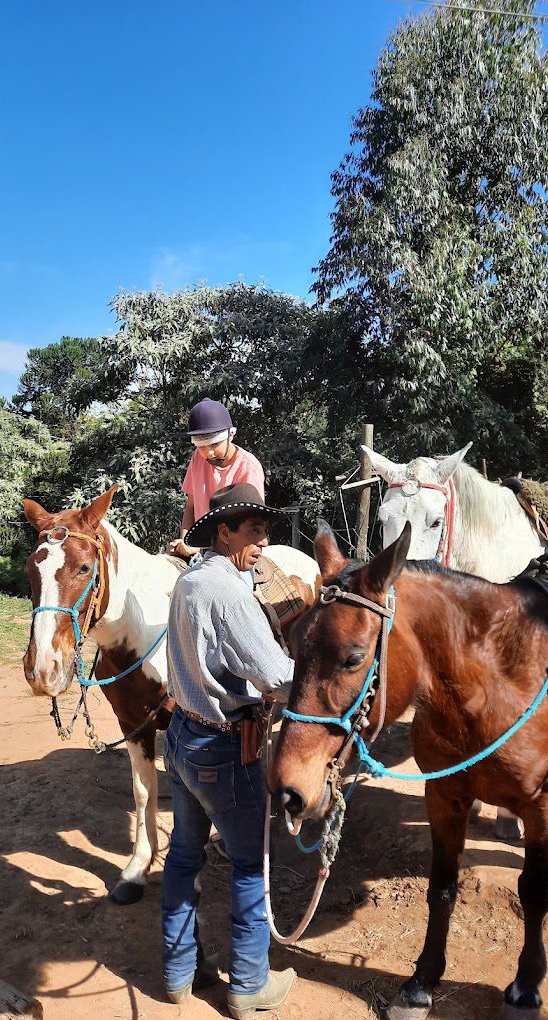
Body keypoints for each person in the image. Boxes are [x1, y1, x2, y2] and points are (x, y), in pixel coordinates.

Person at [162, 482, 297, 1018]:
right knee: (248, 865)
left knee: (182, 857)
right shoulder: (232, 595)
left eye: (266, 532)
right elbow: (277, 678)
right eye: (254, 531)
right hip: (224, 748)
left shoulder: (190, 580)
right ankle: (247, 986)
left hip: (180, 740)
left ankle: (178, 976)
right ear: (223, 532)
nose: (263, 543)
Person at [167, 398, 265, 559]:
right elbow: (190, 507)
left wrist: (199, 547)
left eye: (214, 444)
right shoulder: (197, 459)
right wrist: (185, 541)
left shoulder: (248, 466)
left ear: (231, 435)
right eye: (201, 447)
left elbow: (250, 525)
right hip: (201, 548)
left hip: (237, 552)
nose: (208, 453)